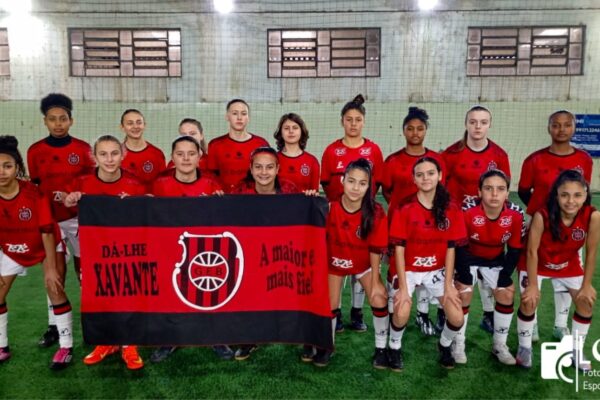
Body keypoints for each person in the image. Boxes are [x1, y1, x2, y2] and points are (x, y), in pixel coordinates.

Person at [64, 135, 147, 370]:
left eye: (114, 153)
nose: (109, 159)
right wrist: (71, 198)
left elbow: (146, 213)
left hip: (127, 252)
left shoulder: (135, 184)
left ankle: (129, 345)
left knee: (129, 293)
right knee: (99, 295)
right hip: (95, 252)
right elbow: (66, 200)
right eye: (103, 154)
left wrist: (135, 204)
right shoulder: (83, 183)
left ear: (123, 155)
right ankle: (106, 342)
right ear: (94, 157)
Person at [518, 110, 594, 341]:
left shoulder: (584, 159)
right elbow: (523, 191)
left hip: (571, 226)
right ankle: (532, 324)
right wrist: (545, 212)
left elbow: (583, 191)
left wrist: (568, 214)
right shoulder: (534, 159)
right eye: (556, 125)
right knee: (532, 270)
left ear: (573, 128)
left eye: (567, 125)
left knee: (567, 271)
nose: (561, 130)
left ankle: (561, 325)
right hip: (540, 222)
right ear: (549, 128)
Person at [0, 135, 74, 369]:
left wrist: (50, 268)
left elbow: (47, 231)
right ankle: (2, 346)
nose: (2, 172)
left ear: (18, 168)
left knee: (54, 287)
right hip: (13, 248)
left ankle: (66, 347)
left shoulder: (34, 193)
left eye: (7, 166)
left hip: (46, 245)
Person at [27, 93, 94, 348]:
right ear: (45, 121)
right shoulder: (35, 151)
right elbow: (35, 188)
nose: (58, 124)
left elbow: (90, 184)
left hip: (78, 220)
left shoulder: (83, 149)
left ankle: (92, 320)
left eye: (63, 119)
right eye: (53, 119)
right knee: (54, 274)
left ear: (71, 120)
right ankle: (54, 326)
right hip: (49, 224)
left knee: (83, 272)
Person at [388, 157, 466, 370]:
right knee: (402, 309)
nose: (426, 178)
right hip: (408, 268)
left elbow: (451, 248)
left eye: (431, 173)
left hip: (436, 270)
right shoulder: (404, 207)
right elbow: (399, 249)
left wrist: (449, 285)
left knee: (457, 316)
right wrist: (404, 288)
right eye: (420, 174)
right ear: (414, 179)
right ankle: (393, 347)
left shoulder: (452, 208)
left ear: (440, 176)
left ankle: (445, 345)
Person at [516, 170, 598, 369]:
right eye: (564, 195)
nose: (571, 201)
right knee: (529, 300)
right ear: (556, 195)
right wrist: (534, 285)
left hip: (568, 265)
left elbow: (592, 252)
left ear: (586, 195)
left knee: (586, 302)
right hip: (538, 263)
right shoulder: (541, 215)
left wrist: (587, 285)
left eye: (577, 195)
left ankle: (576, 350)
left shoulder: (593, 216)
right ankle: (524, 347)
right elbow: (531, 252)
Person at [312, 159, 388, 368]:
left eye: (362, 183)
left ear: (369, 186)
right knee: (328, 304)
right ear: (343, 181)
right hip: (334, 265)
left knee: (379, 298)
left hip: (363, 264)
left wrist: (374, 281)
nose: (356, 188)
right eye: (351, 181)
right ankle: (327, 346)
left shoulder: (376, 212)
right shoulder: (328, 208)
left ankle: (382, 348)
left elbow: (375, 250)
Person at [442, 105, 510, 335]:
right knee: (457, 267)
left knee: (487, 268)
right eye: (473, 122)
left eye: (483, 122)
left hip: (488, 222)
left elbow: (504, 189)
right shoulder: (451, 154)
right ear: (466, 124)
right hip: (458, 222)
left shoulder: (499, 155)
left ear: (490, 124)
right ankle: (447, 310)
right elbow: (441, 188)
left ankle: (489, 314)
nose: (477, 126)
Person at [320, 94, 384, 333]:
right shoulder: (331, 150)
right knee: (336, 264)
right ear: (342, 122)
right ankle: (333, 314)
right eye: (349, 119)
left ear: (364, 122)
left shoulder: (374, 150)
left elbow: (377, 184)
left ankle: (357, 313)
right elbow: (326, 184)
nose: (353, 124)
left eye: (358, 119)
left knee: (362, 262)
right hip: (338, 217)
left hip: (363, 216)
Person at [382, 106, 447, 337]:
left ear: (426, 130)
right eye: (410, 129)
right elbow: (388, 191)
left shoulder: (436, 160)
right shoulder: (393, 160)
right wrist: (405, 209)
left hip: (429, 229)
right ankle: (396, 312)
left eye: (420, 128)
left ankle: (422, 313)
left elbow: (440, 191)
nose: (415, 133)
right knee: (400, 270)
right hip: (400, 226)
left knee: (426, 267)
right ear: (403, 131)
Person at [453, 169, 524, 365]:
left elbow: (515, 249)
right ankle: (458, 343)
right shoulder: (466, 212)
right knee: (464, 292)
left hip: (495, 259)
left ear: (507, 194)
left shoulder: (516, 215)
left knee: (506, 293)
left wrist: (505, 275)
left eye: (500, 189)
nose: (494, 194)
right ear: (479, 192)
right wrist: (465, 274)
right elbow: (458, 246)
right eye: (488, 188)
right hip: (467, 257)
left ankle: (499, 345)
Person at [207, 99, 269, 193]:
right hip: (225, 199)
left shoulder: (261, 144)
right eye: (235, 113)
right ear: (227, 117)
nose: (239, 117)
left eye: (244, 114)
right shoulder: (215, 144)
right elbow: (211, 175)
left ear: (248, 118)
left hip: (254, 199)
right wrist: (216, 189)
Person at [120, 109, 166, 190]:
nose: (135, 126)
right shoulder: (116, 154)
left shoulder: (157, 153)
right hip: (124, 201)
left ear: (144, 125)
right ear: (122, 127)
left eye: (139, 122)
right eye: (130, 123)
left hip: (150, 202)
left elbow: (163, 184)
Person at [273, 113, 320, 192]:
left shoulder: (312, 161)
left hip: (303, 204)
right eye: (286, 128)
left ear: (302, 131)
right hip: (278, 203)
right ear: (281, 132)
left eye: (295, 128)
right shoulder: (273, 159)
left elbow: (314, 193)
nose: (291, 131)